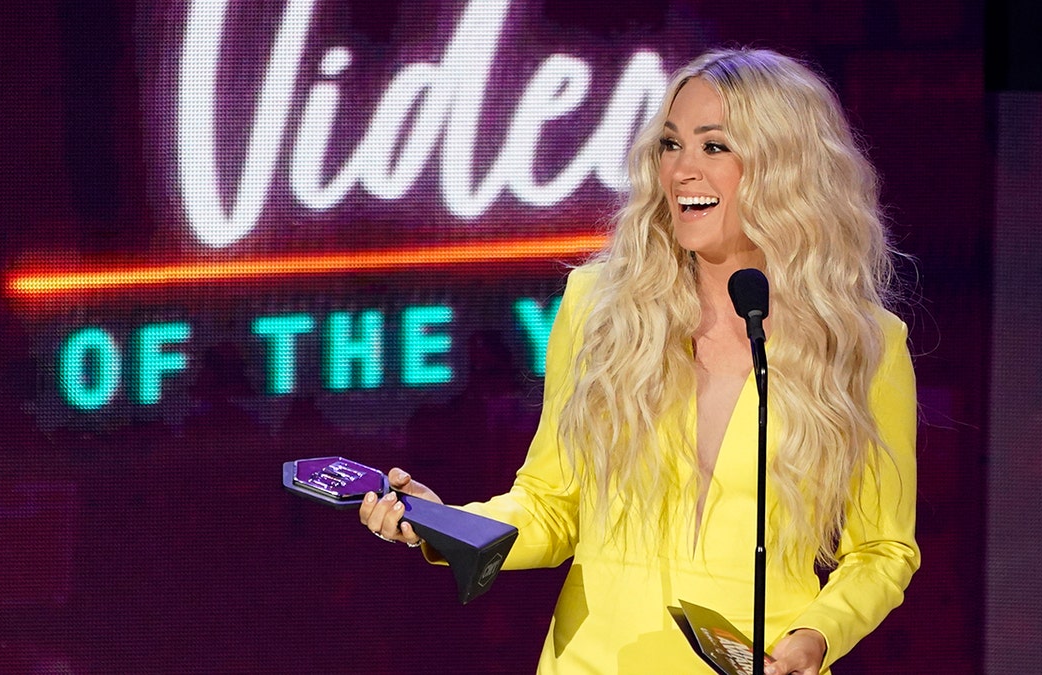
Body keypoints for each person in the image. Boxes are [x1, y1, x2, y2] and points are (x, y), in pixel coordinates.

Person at [360, 47, 919, 675]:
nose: (681, 171)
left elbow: (881, 549)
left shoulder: (862, 342)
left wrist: (817, 637)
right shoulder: (602, 307)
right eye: (670, 145)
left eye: (714, 147)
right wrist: (446, 524)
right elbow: (551, 504)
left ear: (784, 167)